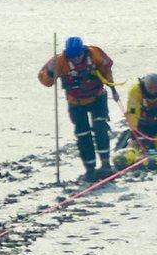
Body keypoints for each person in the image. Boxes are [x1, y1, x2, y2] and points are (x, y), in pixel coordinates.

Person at [38, 36, 119, 183]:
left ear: (83, 51)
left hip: (97, 98)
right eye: (72, 57)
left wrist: (113, 89)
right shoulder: (59, 61)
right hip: (76, 103)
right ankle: (90, 169)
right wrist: (50, 74)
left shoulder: (95, 54)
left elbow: (107, 70)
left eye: (78, 56)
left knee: (100, 128)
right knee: (83, 135)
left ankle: (106, 164)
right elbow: (44, 79)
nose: (75, 59)